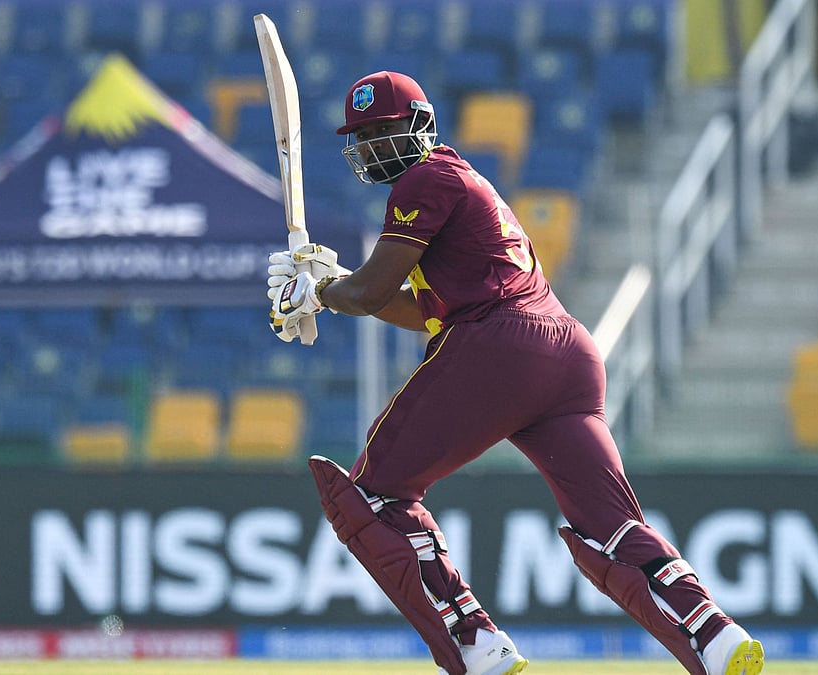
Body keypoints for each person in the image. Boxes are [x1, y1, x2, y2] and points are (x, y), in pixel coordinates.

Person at [266, 71, 764, 675]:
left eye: (382, 129)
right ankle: (713, 634)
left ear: (420, 123)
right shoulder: (455, 181)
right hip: (565, 354)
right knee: (609, 527)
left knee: (373, 497)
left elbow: (371, 292)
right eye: (363, 136)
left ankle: (477, 645)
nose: (371, 145)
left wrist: (320, 289)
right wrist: (328, 288)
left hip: (499, 346)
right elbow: (417, 310)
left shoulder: (425, 179)